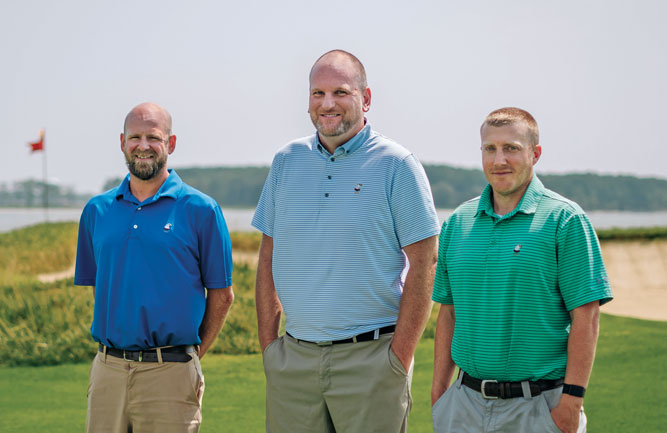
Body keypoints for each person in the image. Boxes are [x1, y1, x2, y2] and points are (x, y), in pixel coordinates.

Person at [252, 49, 440, 433]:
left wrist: (398, 358)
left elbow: (426, 263)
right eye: (317, 93)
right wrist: (270, 347)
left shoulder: (397, 164)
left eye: (340, 92)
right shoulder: (286, 161)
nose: (327, 104)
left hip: (372, 361)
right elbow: (268, 256)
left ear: (365, 99)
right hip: (294, 361)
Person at [431, 107, 613, 433]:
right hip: (463, 406)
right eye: (490, 148)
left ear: (535, 153)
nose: (499, 160)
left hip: (539, 407)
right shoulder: (457, 222)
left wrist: (571, 402)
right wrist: (439, 394)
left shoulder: (565, 220)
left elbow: (586, 316)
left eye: (511, 148)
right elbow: (449, 313)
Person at [74, 102, 234, 433]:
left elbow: (222, 294)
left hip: (171, 373)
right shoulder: (96, 211)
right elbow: (101, 287)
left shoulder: (202, 210)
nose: (143, 146)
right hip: (108, 372)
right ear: (122, 143)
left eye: (153, 137)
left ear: (170, 144)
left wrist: (190, 356)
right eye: (135, 137)